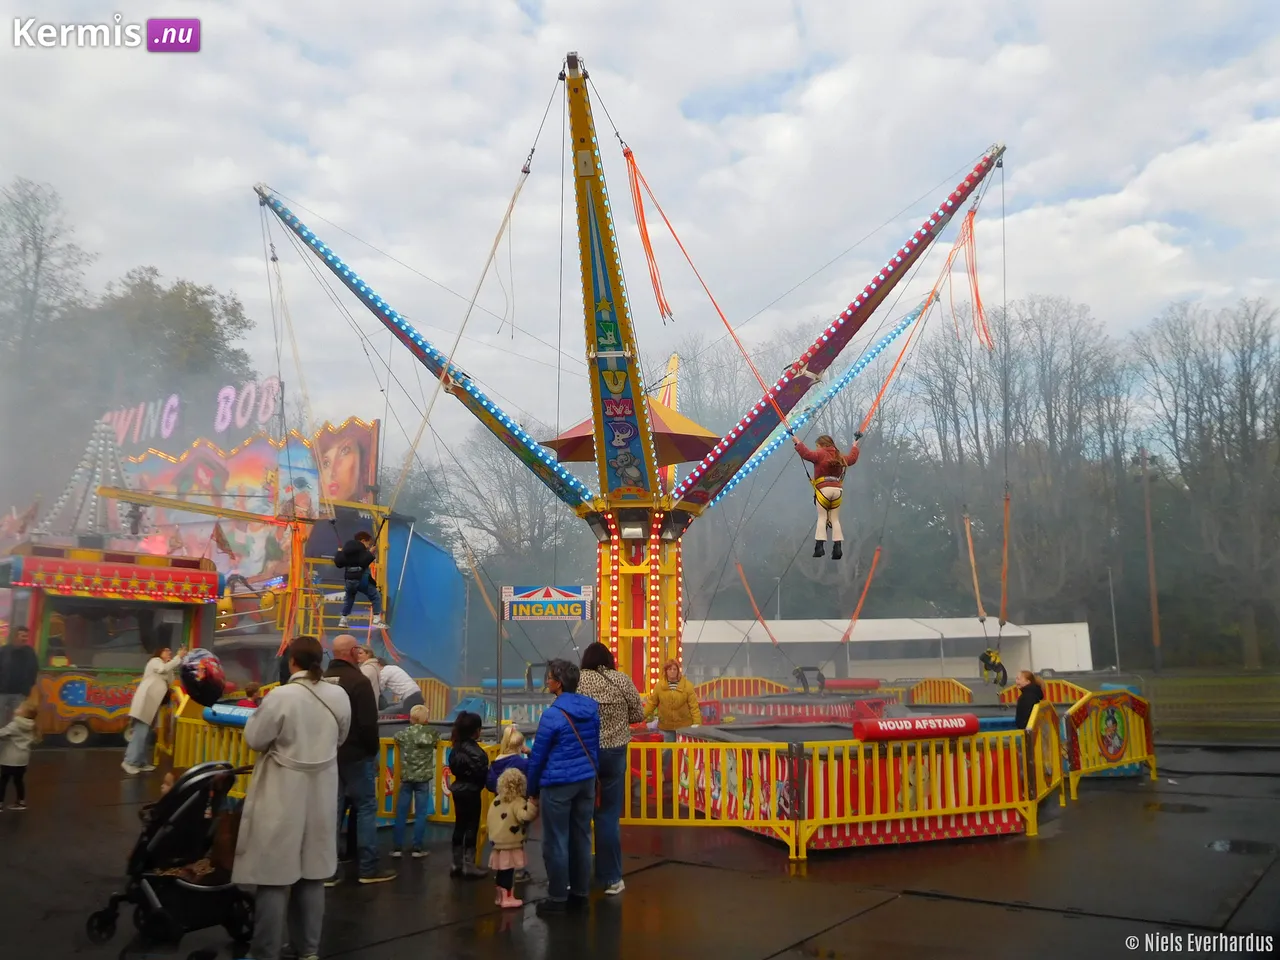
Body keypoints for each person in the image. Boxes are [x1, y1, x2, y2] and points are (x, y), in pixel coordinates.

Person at [232, 635, 351, 960]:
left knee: (273, 877)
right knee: (313, 874)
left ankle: (264, 953)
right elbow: (341, 736)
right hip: (322, 792)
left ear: (291, 662)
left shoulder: (281, 696)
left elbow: (256, 739)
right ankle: (307, 949)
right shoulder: (338, 695)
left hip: (280, 795)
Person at [526, 659, 600, 916]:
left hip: (558, 784)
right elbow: (593, 746)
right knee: (581, 838)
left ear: (558, 683)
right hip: (586, 781)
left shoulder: (552, 715)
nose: (546, 681)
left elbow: (537, 757)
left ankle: (558, 897)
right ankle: (580, 893)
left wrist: (531, 789)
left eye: (548, 678)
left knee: (556, 841)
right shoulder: (591, 709)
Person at [323, 634, 395, 885]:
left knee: (333, 811)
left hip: (329, 756)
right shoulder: (359, 682)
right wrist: (371, 753)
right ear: (353, 652)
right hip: (356, 755)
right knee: (365, 808)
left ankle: (328, 872)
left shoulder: (321, 680)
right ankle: (368, 868)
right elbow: (367, 724)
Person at [577, 642, 643, 896]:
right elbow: (638, 714)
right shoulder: (622, 680)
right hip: (615, 752)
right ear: (609, 658)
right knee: (607, 817)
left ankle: (578, 878)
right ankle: (612, 878)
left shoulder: (579, 681)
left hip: (584, 752)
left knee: (580, 816)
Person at [793, 433, 861, 559]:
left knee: (822, 517)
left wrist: (797, 442)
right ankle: (837, 548)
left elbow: (806, 454)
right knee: (835, 519)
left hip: (823, 489)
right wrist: (855, 446)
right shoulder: (839, 456)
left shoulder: (820, 454)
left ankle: (819, 547)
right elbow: (852, 459)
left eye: (817, 446)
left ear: (821, 445)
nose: (817, 448)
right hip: (837, 490)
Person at [122, 642, 186, 775]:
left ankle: (141, 762)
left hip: (152, 704)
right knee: (140, 734)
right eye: (166, 651)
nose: (169, 653)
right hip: (145, 702)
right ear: (159, 653)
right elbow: (163, 669)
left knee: (145, 735)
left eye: (170, 651)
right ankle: (129, 762)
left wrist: (176, 660)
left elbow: (169, 679)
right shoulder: (155, 661)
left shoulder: (165, 666)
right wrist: (177, 658)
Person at [444, 711, 489, 879]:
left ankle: (456, 863)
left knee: (459, 826)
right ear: (476, 731)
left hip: (458, 790)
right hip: (472, 791)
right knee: (472, 827)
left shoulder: (455, 748)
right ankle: (469, 865)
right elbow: (482, 772)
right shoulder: (478, 752)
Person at [391, 704, 439, 859]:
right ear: (426, 719)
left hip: (406, 778)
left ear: (411, 718)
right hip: (423, 780)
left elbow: (396, 737)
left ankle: (397, 847)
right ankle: (417, 848)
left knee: (401, 812)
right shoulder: (432, 733)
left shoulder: (404, 734)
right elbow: (438, 740)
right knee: (421, 814)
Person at [486, 767, 538, 909]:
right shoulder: (517, 802)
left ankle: (500, 896)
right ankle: (507, 897)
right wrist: (533, 805)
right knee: (509, 872)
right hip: (511, 842)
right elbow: (524, 816)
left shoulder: (497, 800)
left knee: (501, 871)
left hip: (498, 842)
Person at [333, 531, 385, 628]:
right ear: (362, 541)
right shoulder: (361, 550)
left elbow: (339, 563)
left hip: (349, 579)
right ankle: (377, 619)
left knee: (349, 599)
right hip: (361, 579)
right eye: (368, 544)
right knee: (375, 596)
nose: (368, 546)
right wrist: (371, 553)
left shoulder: (346, 550)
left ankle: (343, 619)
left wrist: (339, 552)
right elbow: (363, 562)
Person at [0, 699, 36, 811]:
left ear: (24, 713)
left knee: (3, 780)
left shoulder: (15, 724)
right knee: (18, 780)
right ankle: (21, 802)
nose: (17, 709)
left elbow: (2, 733)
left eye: (20, 708)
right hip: (22, 759)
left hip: (10, 759)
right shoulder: (31, 725)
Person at [0, 626, 39, 727]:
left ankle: (12, 740)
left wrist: (28, 687)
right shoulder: (4, 651)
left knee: (17, 721)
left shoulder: (30, 652)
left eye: (26, 636)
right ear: (15, 636)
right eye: (23, 636)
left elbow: (34, 669)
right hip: (2, 692)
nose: (25, 638)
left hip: (20, 693)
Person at [485, 724, 529, 794]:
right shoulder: (522, 763)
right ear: (520, 747)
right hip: (518, 801)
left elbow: (490, 784)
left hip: (501, 801)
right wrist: (530, 753)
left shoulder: (495, 763)